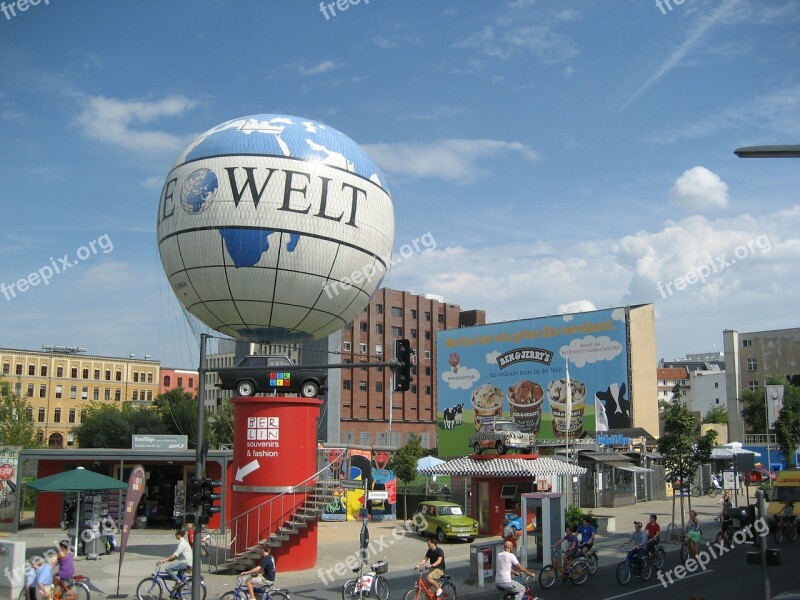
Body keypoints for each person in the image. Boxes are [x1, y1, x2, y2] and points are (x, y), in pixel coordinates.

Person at [158, 529, 193, 597]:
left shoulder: (182, 543)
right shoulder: (183, 542)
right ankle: (176, 594)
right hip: (186, 562)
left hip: (185, 563)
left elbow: (175, 555)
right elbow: (178, 555)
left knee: (168, 569)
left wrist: (164, 560)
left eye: (176, 534)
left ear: (179, 535)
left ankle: (179, 582)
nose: (175, 536)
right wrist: (170, 559)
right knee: (177, 577)